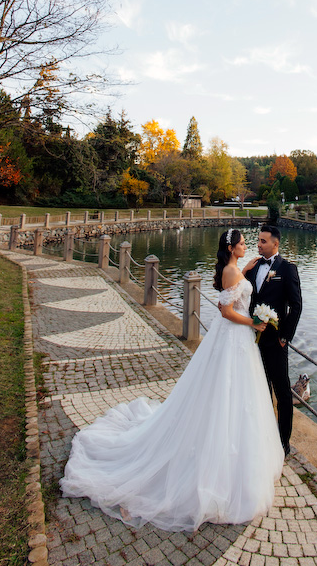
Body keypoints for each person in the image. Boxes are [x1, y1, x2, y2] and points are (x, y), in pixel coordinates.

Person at [60, 229, 284, 533]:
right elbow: (227, 311)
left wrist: (244, 273)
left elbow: (231, 289)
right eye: (243, 244)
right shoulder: (231, 272)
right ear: (232, 248)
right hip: (234, 337)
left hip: (236, 343)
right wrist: (254, 322)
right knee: (227, 394)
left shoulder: (234, 270)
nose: (248, 247)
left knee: (233, 396)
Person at [243, 225, 302, 455]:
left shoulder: (287, 269)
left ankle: (283, 441)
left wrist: (285, 337)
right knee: (260, 387)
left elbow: (296, 306)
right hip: (251, 339)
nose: (259, 244)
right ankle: (263, 435)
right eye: (258, 240)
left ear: (275, 244)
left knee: (282, 391)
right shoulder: (254, 265)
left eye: (263, 241)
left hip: (275, 341)